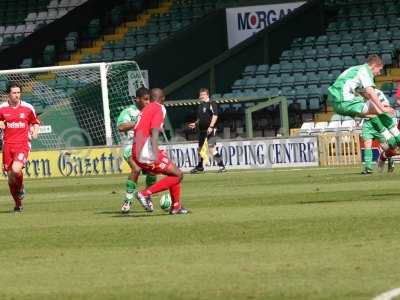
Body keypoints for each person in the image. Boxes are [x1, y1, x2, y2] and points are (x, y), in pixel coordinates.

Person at [132, 88, 189, 215]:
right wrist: (154, 151)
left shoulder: (146, 109)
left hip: (137, 150)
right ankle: (144, 194)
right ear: (162, 98)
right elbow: (154, 130)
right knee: (178, 175)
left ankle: (176, 206)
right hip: (146, 151)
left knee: (173, 171)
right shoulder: (159, 108)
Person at [328, 54, 400, 155]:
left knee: (374, 112)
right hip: (345, 100)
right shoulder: (364, 70)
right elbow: (370, 91)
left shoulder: (355, 70)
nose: (379, 73)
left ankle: (391, 142)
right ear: (374, 65)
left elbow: (364, 93)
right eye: (379, 70)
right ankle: (395, 140)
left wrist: (381, 107)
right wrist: (383, 108)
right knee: (379, 111)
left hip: (337, 104)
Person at [0, 81, 40, 212]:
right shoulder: (2, 108)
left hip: (22, 144)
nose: (17, 95)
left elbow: (35, 122)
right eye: (14, 93)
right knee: (11, 177)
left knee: (16, 169)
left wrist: (35, 130)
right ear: (8, 94)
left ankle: (21, 186)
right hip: (7, 145)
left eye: (18, 92)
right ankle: (18, 204)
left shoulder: (28, 108)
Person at [116, 87, 157, 213]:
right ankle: (128, 201)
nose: (148, 102)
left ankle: (147, 196)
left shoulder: (150, 112)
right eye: (145, 99)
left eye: (149, 99)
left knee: (153, 171)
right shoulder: (128, 111)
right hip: (130, 146)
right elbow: (120, 127)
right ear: (137, 99)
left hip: (146, 147)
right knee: (136, 169)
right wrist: (137, 123)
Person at [188, 88, 226, 173]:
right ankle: (200, 167)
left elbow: (215, 115)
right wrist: (195, 124)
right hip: (202, 130)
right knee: (201, 149)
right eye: (200, 95)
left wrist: (211, 127)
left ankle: (222, 166)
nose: (201, 96)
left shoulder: (212, 103)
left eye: (203, 95)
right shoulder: (200, 105)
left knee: (211, 148)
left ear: (207, 95)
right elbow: (200, 119)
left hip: (210, 129)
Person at [361, 88, 395, 174]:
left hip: (378, 122)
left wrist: (384, 110)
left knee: (385, 146)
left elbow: (386, 105)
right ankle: (368, 168)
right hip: (367, 123)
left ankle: (390, 159)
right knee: (367, 144)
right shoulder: (360, 94)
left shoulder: (378, 92)